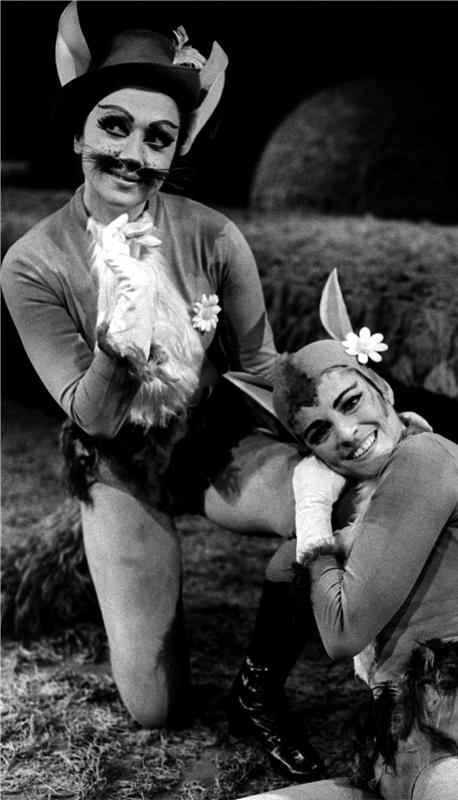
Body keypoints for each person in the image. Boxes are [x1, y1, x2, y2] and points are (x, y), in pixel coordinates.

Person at [1, 0, 298, 739]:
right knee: (155, 710)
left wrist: (347, 407)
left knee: (340, 511)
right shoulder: (32, 263)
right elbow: (93, 416)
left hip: (213, 441)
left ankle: (259, 686)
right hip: (117, 464)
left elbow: (261, 366)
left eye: (158, 137)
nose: (134, 153)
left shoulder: (214, 236)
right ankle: (114, 565)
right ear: (78, 133)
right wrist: (118, 345)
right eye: (114, 126)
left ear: (175, 151)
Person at [229, 303, 458, 798]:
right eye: (320, 432)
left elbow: (342, 630)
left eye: (351, 403)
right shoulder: (379, 498)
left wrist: (311, 502)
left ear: (384, 389)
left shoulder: (425, 456)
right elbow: (292, 568)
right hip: (400, 750)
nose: (346, 433)